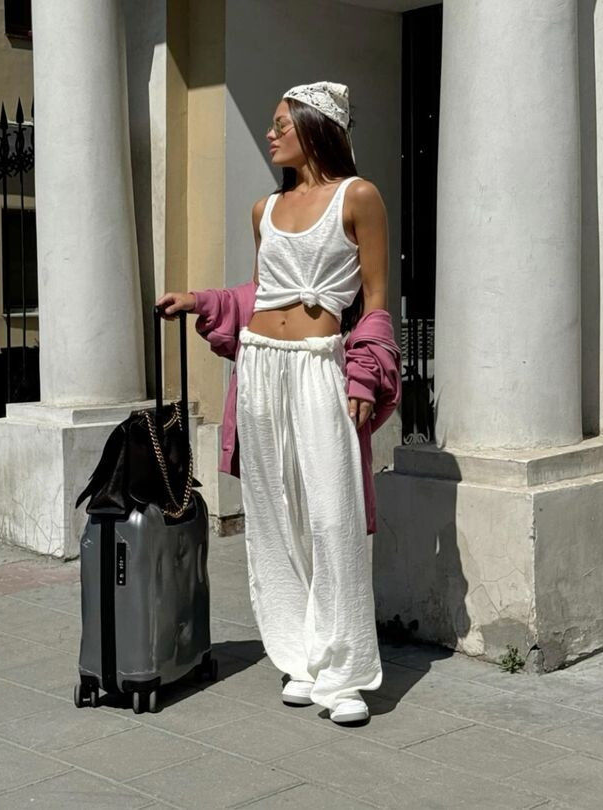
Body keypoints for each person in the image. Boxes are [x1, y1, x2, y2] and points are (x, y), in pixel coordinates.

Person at [157, 81, 396, 725]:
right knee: (274, 515)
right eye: (271, 123)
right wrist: (200, 301)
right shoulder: (264, 209)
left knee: (333, 515)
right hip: (261, 368)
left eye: (281, 124)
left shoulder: (359, 197)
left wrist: (364, 376)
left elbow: (375, 300)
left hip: (320, 368)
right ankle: (301, 657)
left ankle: (344, 672)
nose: (270, 134)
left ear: (316, 127)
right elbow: (262, 293)